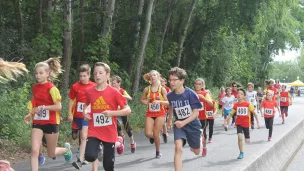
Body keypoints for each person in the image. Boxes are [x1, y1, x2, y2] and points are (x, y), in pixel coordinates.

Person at [23, 57, 72, 171]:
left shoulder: (52, 89)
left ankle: (66, 150)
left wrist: (45, 107)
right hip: (38, 122)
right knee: (34, 150)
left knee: (51, 153)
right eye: (36, 73)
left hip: (51, 122)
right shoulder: (35, 88)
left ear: (48, 73)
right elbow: (35, 103)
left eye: (41, 73)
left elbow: (59, 107)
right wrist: (30, 114)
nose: (38, 76)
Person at [82, 62, 131, 171]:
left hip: (109, 132)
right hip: (94, 130)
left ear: (107, 75)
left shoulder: (114, 92)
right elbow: (86, 105)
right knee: (89, 156)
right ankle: (99, 149)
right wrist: (85, 112)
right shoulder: (89, 91)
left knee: (108, 166)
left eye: (100, 73)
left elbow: (128, 110)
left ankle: (116, 141)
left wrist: (111, 113)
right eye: (95, 73)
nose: (97, 76)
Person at [166, 67, 203, 171]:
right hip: (179, 124)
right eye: (170, 80)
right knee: (178, 147)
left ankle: (199, 138)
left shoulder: (191, 94)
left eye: (174, 80)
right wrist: (169, 120)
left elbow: (196, 113)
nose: (171, 82)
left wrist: (184, 122)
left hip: (192, 123)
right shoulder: (170, 95)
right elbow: (171, 106)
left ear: (182, 81)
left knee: (196, 152)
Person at [68, 64, 95, 169]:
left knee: (84, 136)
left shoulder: (93, 86)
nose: (82, 78)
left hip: (87, 116)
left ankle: (80, 159)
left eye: (84, 76)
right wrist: (69, 113)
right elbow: (71, 99)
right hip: (77, 115)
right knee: (75, 136)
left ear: (89, 75)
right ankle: (82, 154)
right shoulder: (75, 86)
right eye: (80, 76)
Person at [223, 88, 260, 159]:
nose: (239, 95)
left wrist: (257, 122)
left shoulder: (248, 104)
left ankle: (248, 137)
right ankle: (241, 153)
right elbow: (231, 114)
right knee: (239, 138)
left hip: (246, 124)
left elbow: (254, 113)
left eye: (241, 94)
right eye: (238, 93)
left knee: (247, 141)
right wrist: (225, 120)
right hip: (239, 123)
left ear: (244, 96)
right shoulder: (236, 105)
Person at [140, 70, 168, 158]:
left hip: (160, 113)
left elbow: (168, 102)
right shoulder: (147, 89)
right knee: (148, 133)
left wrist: (159, 101)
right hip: (150, 113)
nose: (153, 77)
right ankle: (155, 137)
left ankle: (158, 151)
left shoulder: (162, 89)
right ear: (149, 78)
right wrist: (147, 102)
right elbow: (142, 100)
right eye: (151, 76)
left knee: (156, 132)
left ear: (158, 76)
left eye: (154, 75)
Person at [111, 75, 136, 153]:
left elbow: (130, 97)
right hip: (116, 112)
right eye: (112, 83)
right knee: (117, 127)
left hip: (124, 111)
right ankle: (121, 138)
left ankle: (132, 142)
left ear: (119, 84)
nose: (113, 85)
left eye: (114, 83)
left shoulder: (122, 91)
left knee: (127, 128)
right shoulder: (111, 91)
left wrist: (120, 95)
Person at [194, 78, 212, 157]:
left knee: (202, 133)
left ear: (202, 85)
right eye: (196, 84)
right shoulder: (192, 93)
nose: (197, 85)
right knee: (194, 133)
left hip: (202, 117)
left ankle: (204, 147)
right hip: (193, 117)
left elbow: (211, 104)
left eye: (199, 84)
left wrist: (203, 98)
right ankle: (195, 145)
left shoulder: (205, 93)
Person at [161, 76, 171, 143]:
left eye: (163, 81)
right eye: (160, 81)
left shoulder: (167, 89)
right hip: (158, 106)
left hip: (165, 106)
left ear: (165, 82)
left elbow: (169, 97)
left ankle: (166, 130)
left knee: (165, 119)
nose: (161, 82)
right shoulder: (156, 88)